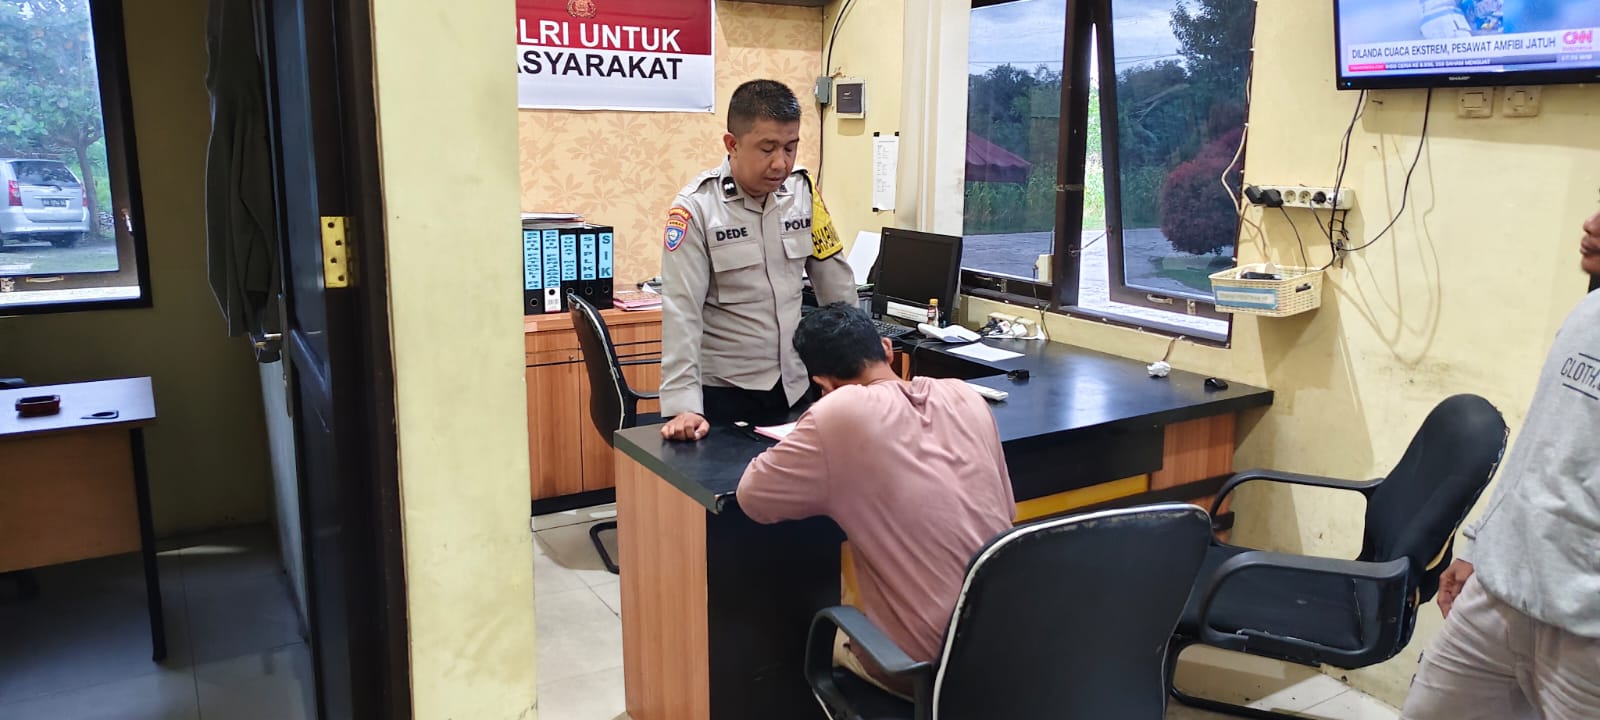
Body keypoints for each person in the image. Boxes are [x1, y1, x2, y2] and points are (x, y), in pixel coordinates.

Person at [734, 303, 1016, 697]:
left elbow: (752, 498)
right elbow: (1008, 510)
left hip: (925, 669)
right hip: (1011, 650)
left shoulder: (836, 413)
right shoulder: (963, 395)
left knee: (806, 637)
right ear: (886, 349)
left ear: (822, 383)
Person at [1401, 209, 1600, 720]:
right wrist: (1479, 546)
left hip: (1587, 635)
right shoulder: (1590, 313)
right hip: (1497, 597)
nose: (1591, 222)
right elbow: (1540, 446)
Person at [658, 80, 857, 441]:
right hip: (725, 393)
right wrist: (683, 405)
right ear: (732, 144)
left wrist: (859, 367)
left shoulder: (803, 192)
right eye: (767, 148)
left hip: (796, 385)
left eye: (790, 148)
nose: (781, 163)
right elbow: (682, 312)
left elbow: (837, 287)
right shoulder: (697, 208)